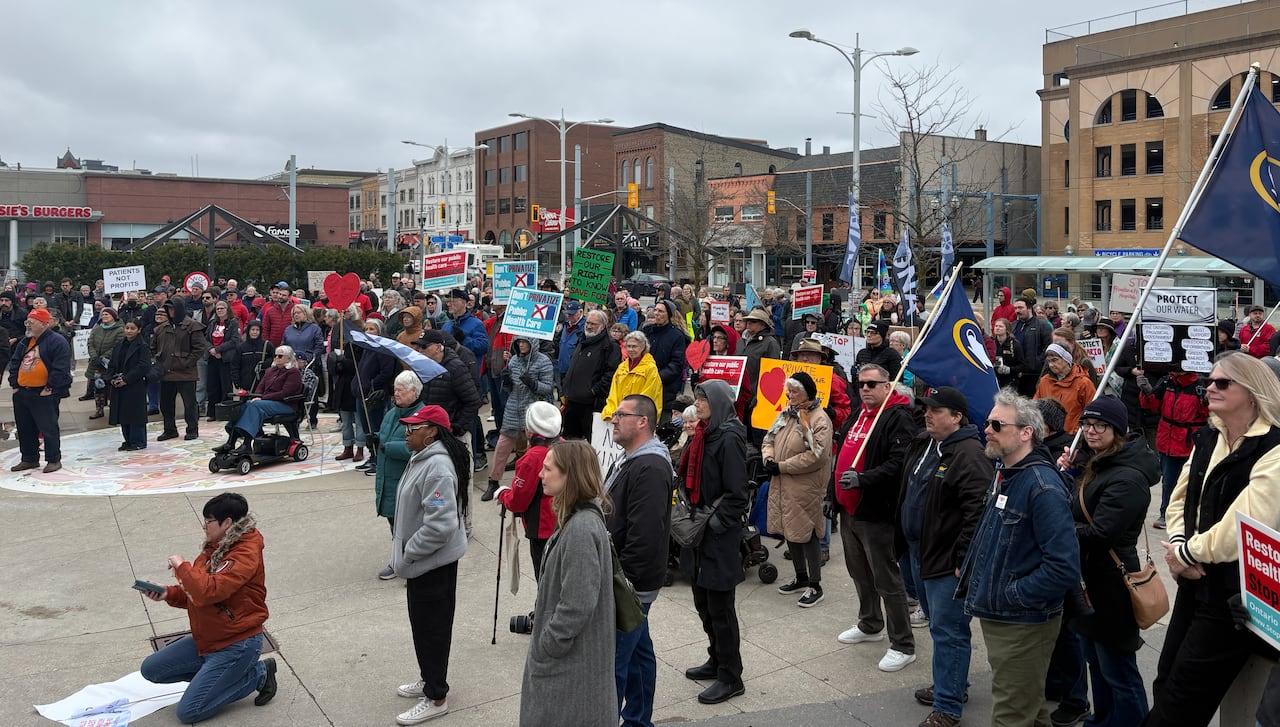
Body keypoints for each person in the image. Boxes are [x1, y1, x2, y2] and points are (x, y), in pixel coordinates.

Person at [1148, 353, 1280, 726]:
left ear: (1253, 392)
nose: (1210, 388)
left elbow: (1243, 523)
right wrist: (1177, 543)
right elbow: (1179, 497)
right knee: (1165, 679)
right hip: (1194, 583)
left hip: (1233, 597)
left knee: (1181, 704)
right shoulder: (1209, 435)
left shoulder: (1274, 447)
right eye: (1210, 381)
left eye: (1223, 383)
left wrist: (1185, 554)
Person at [960, 390, 1080, 727]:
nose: (987, 429)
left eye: (997, 424)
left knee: (1011, 716)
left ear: (1026, 432)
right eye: (987, 422)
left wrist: (1010, 594)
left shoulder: (1042, 486)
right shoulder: (1009, 474)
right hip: (1006, 617)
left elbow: (1063, 567)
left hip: (1022, 622)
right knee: (1032, 710)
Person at [1053, 397, 1156, 727]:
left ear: (1118, 431)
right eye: (1086, 424)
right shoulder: (1096, 463)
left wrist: (1055, 529)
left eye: (1101, 425)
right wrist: (1070, 472)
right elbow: (1079, 509)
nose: (1091, 431)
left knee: (1117, 670)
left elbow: (1100, 534)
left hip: (1111, 584)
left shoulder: (1128, 477)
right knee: (1096, 662)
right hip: (1089, 581)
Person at [896, 387, 991, 727]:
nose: (928, 414)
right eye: (927, 409)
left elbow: (977, 511)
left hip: (946, 560)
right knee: (940, 629)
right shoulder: (930, 444)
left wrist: (963, 558)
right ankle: (951, 684)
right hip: (920, 552)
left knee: (949, 630)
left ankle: (948, 706)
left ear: (956, 417)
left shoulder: (969, 454)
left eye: (936, 411)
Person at [139, 493, 277, 723]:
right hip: (208, 640)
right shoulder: (214, 548)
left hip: (237, 644)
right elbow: (197, 594)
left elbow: (209, 591)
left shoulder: (245, 553)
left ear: (227, 523)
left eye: (209, 520)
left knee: (189, 712)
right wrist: (167, 593)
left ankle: (257, 674)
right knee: (151, 669)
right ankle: (217, 678)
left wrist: (182, 566)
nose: (204, 526)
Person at [519, 440, 616, 727]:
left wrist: (548, 644)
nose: (540, 475)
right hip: (571, 664)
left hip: (572, 666)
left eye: (548, 469)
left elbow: (577, 603)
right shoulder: (576, 519)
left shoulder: (581, 529)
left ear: (569, 477)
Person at [833, 365, 920, 672]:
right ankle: (870, 623)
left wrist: (864, 479)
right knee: (859, 572)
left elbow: (899, 464)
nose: (865, 388)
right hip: (849, 509)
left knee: (886, 578)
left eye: (872, 384)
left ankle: (902, 643)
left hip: (875, 511)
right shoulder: (859, 414)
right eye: (861, 384)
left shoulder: (897, 417)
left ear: (887, 385)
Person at [391, 405, 469, 726]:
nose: (407, 434)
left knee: (432, 630)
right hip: (423, 564)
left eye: (414, 428)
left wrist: (410, 551)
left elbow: (441, 525)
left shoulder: (437, 467)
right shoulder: (422, 457)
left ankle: (436, 696)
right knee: (423, 628)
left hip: (431, 564)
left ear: (432, 431)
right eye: (407, 428)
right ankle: (429, 680)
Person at [677, 380, 749, 704]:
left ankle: (731, 676)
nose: (698, 403)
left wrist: (717, 523)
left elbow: (737, 493)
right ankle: (716, 658)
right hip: (699, 526)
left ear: (717, 402)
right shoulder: (705, 432)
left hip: (717, 533)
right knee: (703, 601)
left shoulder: (730, 436)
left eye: (703, 398)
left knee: (721, 607)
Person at [605, 393, 673, 725]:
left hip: (628, 585)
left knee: (613, 663)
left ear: (642, 421)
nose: (613, 420)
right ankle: (638, 721)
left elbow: (644, 535)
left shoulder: (650, 466)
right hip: (628, 582)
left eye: (620, 414)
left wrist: (623, 586)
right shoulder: (635, 459)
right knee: (638, 656)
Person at [762, 372, 833, 608]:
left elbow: (817, 456)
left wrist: (781, 467)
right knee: (790, 528)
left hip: (805, 486)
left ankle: (815, 584)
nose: (790, 395)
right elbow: (768, 439)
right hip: (784, 483)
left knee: (808, 533)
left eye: (796, 391)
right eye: (789, 391)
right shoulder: (786, 414)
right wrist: (768, 459)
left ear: (808, 393)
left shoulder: (818, 419)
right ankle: (801, 576)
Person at [495, 401, 562, 580]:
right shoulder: (564, 446)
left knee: (545, 577)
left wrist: (502, 494)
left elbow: (518, 501)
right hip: (565, 522)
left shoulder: (532, 458)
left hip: (542, 528)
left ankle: (543, 608)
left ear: (531, 430)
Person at [484, 336, 555, 500]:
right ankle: (493, 481)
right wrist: (506, 379)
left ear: (532, 343)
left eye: (524, 342)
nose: (521, 345)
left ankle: (534, 481)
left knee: (533, 448)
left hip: (533, 410)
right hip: (513, 407)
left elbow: (548, 388)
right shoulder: (514, 360)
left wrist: (533, 384)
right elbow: (509, 388)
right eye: (519, 342)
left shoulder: (543, 361)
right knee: (502, 447)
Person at [1138, 368, 1208, 530]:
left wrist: (1205, 399)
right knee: (1168, 480)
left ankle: (1190, 514)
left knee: (1192, 481)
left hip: (1191, 441)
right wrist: (1147, 392)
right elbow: (1152, 406)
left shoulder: (1200, 385)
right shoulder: (1166, 381)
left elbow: (1208, 413)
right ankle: (1166, 513)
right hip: (1168, 438)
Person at [373, 371, 426, 580]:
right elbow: (385, 436)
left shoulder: (420, 416)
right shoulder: (391, 413)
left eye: (401, 390)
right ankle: (398, 560)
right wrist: (375, 438)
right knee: (394, 524)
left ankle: (413, 564)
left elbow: (415, 448)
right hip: (388, 479)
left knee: (409, 527)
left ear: (414, 392)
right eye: (395, 389)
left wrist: (387, 447)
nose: (396, 394)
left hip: (406, 481)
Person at [8, 307, 72, 473]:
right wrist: (15, 385)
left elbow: (61, 368)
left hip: (43, 393)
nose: (28, 325)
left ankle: (53, 460)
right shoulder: (24, 341)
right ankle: (29, 459)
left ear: (44, 324)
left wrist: (49, 387)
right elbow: (14, 363)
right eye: (27, 322)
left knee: (48, 428)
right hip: (22, 392)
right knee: (25, 428)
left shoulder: (57, 341)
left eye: (31, 322)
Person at [213, 346, 303, 456]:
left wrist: (263, 398)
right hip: (267, 403)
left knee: (254, 406)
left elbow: (285, 392)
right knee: (245, 405)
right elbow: (260, 387)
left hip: (286, 404)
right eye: (275, 355)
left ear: (288, 358)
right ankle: (230, 443)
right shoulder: (270, 371)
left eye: (280, 356)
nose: (276, 358)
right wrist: (257, 396)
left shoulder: (293, 372)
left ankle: (246, 444)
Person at [151, 301, 208, 442]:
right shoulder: (161, 328)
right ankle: (169, 429)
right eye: (168, 309)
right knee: (165, 404)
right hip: (166, 372)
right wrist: (157, 364)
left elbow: (199, 348)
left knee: (190, 404)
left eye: (173, 309)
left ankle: (192, 429)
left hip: (186, 373)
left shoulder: (192, 326)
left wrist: (186, 362)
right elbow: (152, 348)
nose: (171, 312)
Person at [561, 309, 622, 439]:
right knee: (569, 443)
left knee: (592, 443)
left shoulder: (610, 346)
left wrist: (594, 391)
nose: (588, 326)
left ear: (603, 326)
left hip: (592, 405)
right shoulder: (582, 340)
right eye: (587, 323)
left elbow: (610, 374)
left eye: (593, 324)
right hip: (572, 401)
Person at [107, 319, 150, 451]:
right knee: (123, 413)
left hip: (134, 384)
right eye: (127, 328)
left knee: (135, 414)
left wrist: (127, 379)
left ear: (139, 330)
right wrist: (111, 378)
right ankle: (128, 440)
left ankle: (138, 441)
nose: (129, 331)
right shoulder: (119, 344)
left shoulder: (142, 345)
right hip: (119, 383)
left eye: (132, 328)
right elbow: (113, 362)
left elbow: (143, 365)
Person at [601, 331, 664, 422]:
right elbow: (613, 393)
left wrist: (630, 413)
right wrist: (611, 412)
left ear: (643, 347)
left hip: (639, 418)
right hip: (619, 417)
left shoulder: (650, 369)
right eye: (628, 346)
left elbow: (648, 396)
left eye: (634, 346)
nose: (631, 349)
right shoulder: (621, 367)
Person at [1035, 343, 1096, 433]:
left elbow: (1092, 413)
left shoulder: (1083, 383)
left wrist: (1078, 432)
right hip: (1048, 436)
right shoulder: (1044, 381)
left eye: (1054, 360)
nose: (1051, 365)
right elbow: (1035, 408)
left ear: (1066, 360)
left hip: (1073, 436)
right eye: (1049, 361)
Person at [643, 299, 689, 418]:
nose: (656, 313)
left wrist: (656, 378)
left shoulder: (676, 336)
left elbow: (676, 364)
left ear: (668, 314)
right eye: (656, 310)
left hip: (665, 391)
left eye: (660, 311)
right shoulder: (647, 331)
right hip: (643, 386)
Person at [204, 299, 241, 422]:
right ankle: (212, 412)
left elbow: (235, 340)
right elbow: (206, 339)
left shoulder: (233, 323)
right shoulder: (212, 323)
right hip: (212, 358)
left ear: (227, 310)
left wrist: (219, 350)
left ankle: (226, 412)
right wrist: (211, 350)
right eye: (218, 308)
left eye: (222, 308)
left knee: (226, 385)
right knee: (212, 386)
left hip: (226, 358)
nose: (219, 310)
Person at [85, 306, 124, 419]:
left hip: (110, 364)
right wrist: (94, 356)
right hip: (95, 363)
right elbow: (90, 342)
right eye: (103, 314)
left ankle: (115, 410)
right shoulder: (97, 327)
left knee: (111, 387)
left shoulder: (119, 330)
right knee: (98, 388)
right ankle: (99, 409)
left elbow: (116, 346)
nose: (104, 316)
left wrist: (103, 358)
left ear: (113, 316)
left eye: (107, 314)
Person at [1014, 297, 1053, 397]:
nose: (1017, 311)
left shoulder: (1043, 326)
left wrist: (1038, 362)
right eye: (1016, 308)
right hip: (1016, 374)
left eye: (1020, 308)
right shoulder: (1013, 326)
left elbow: (1048, 347)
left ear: (1029, 308)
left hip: (1034, 375)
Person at [988, 318, 1023, 390]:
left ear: (1007, 329)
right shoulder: (991, 343)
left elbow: (1021, 365)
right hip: (995, 380)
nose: (997, 328)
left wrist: (1009, 369)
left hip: (1010, 382)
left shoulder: (1014, 344)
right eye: (996, 326)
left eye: (1000, 326)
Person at [237, 320, 272, 393]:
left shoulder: (267, 345)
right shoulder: (241, 347)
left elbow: (273, 358)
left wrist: (264, 364)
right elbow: (235, 364)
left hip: (262, 382)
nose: (255, 332)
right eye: (253, 330)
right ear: (248, 331)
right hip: (245, 382)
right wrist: (236, 380)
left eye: (257, 330)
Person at [260, 282, 295, 348]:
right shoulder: (270, 310)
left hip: (290, 345)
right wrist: (266, 343)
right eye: (280, 294)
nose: (280, 296)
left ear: (289, 297)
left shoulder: (295, 310)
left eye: (284, 295)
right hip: (273, 345)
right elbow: (265, 329)